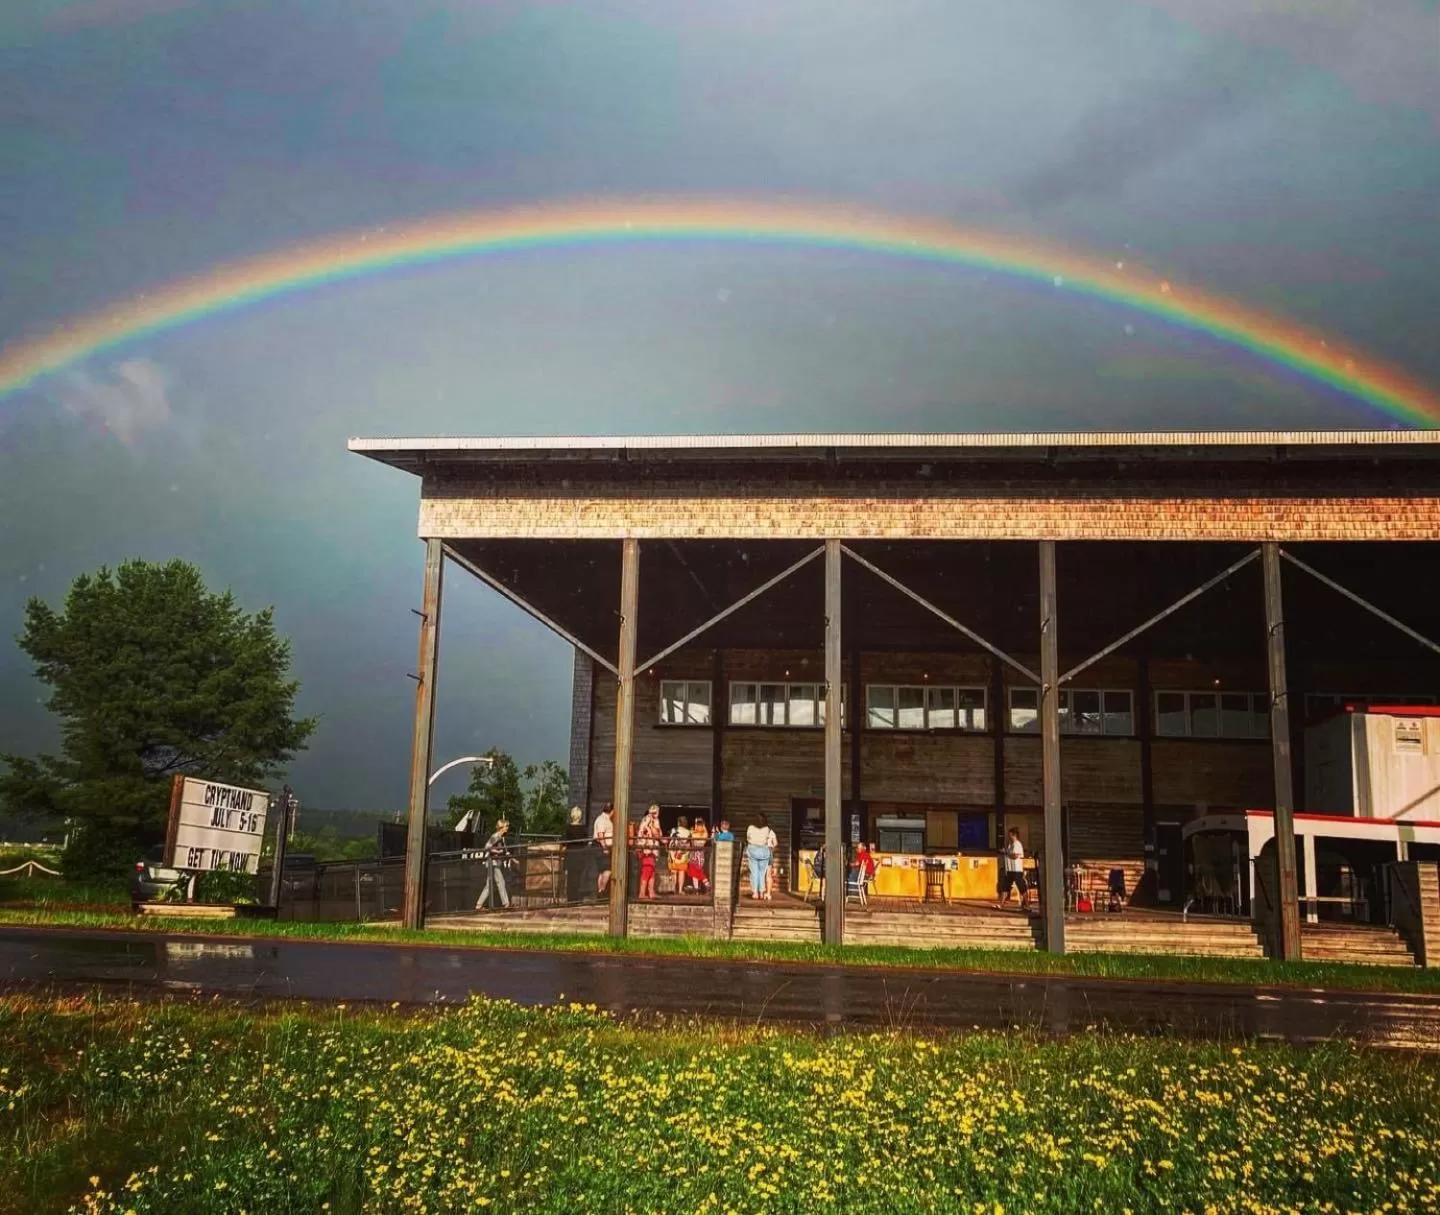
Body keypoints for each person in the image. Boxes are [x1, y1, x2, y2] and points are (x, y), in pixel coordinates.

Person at [474, 819, 512, 911]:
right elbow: (487, 847)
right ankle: (506, 904)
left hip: (494, 863)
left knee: (489, 885)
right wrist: (498, 852)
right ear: (501, 827)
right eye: (506, 826)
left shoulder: (501, 837)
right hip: (493, 863)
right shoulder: (496, 836)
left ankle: (479, 905)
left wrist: (504, 853)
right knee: (501, 882)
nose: (507, 828)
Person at [995, 827, 1029, 911]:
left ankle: (1027, 905)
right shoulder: (1010, 845)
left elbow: (1015, 856)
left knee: (1022, 888)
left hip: (1016, 870)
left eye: (1010, 834)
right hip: (1010, 870)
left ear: (1014, 835)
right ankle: (1001, 904)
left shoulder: (1017, 844)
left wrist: (1006, 852)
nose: (1008, 836)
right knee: (1005, 887)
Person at [637, 804, 663, 900]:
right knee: (647, 870)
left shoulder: (647, 819)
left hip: (648, 848)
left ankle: (651, 892)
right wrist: (661, 838)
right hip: (648, 849)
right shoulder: (651, 820)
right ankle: (642, 893)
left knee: (651, 871)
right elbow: (656, 834)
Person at [563, 806, 588, 903]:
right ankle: (577, 898)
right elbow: (585, 842)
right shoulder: (583, 828)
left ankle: (570, 898)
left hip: (570, 855)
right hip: (580, 855)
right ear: (580, 816)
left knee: (570, 878)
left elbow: (564, 843)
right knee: (578, 878)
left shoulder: (568, 828)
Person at [745, 816, 774, 900]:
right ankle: (761, 893)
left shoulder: (750, 827)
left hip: (753, 850)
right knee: (762, 873)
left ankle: (755, 893)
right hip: (764, 851)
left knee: (754, 872)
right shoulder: (767, 829)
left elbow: (748, 838)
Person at [593, 803, 615, 896]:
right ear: (612, 811)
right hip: (601, 846)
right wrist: (604, 847)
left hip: (604, 846)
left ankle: (600, 891)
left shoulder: (605, 819)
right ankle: (602, 889)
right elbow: (600, 834)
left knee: (602, 870)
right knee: (607, 869)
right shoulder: (602, 819)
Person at [667, 816, 692, 894]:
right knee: (682, 872)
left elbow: (671, 841)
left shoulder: (673, 830)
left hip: (673, 854)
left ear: (678, 822)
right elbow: (689, 844)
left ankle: (674, 889)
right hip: (683, 854)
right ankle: (680, 890)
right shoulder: (688, 832)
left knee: (674, 871)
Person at [685, 817, 711, 894]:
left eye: (700, 825)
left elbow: (697, 836)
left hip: (699, 856)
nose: (699, 827)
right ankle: (697, 889)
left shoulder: (703, 834)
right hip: (693, 855)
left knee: (699, 872)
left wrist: (698, 825)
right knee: (694, 873)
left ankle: (707, 885)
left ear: (703, 826)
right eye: (697, 825)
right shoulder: (694, 833)